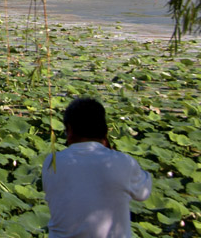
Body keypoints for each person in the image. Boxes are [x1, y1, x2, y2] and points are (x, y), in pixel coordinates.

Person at [42, 97, 152, 238]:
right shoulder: (123, 162)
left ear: (69, 130)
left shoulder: (51, 162)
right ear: (105, 131)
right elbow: (143, 194)